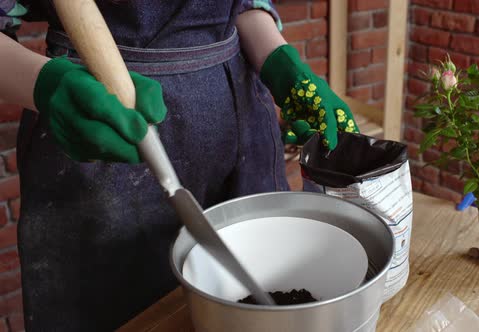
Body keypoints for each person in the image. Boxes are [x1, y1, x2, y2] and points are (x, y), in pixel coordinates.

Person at [0, 0, 358, 330]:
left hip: (240, 130)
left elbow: (242, 5)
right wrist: (45, 85)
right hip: (107, 131)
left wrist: (282, 65)